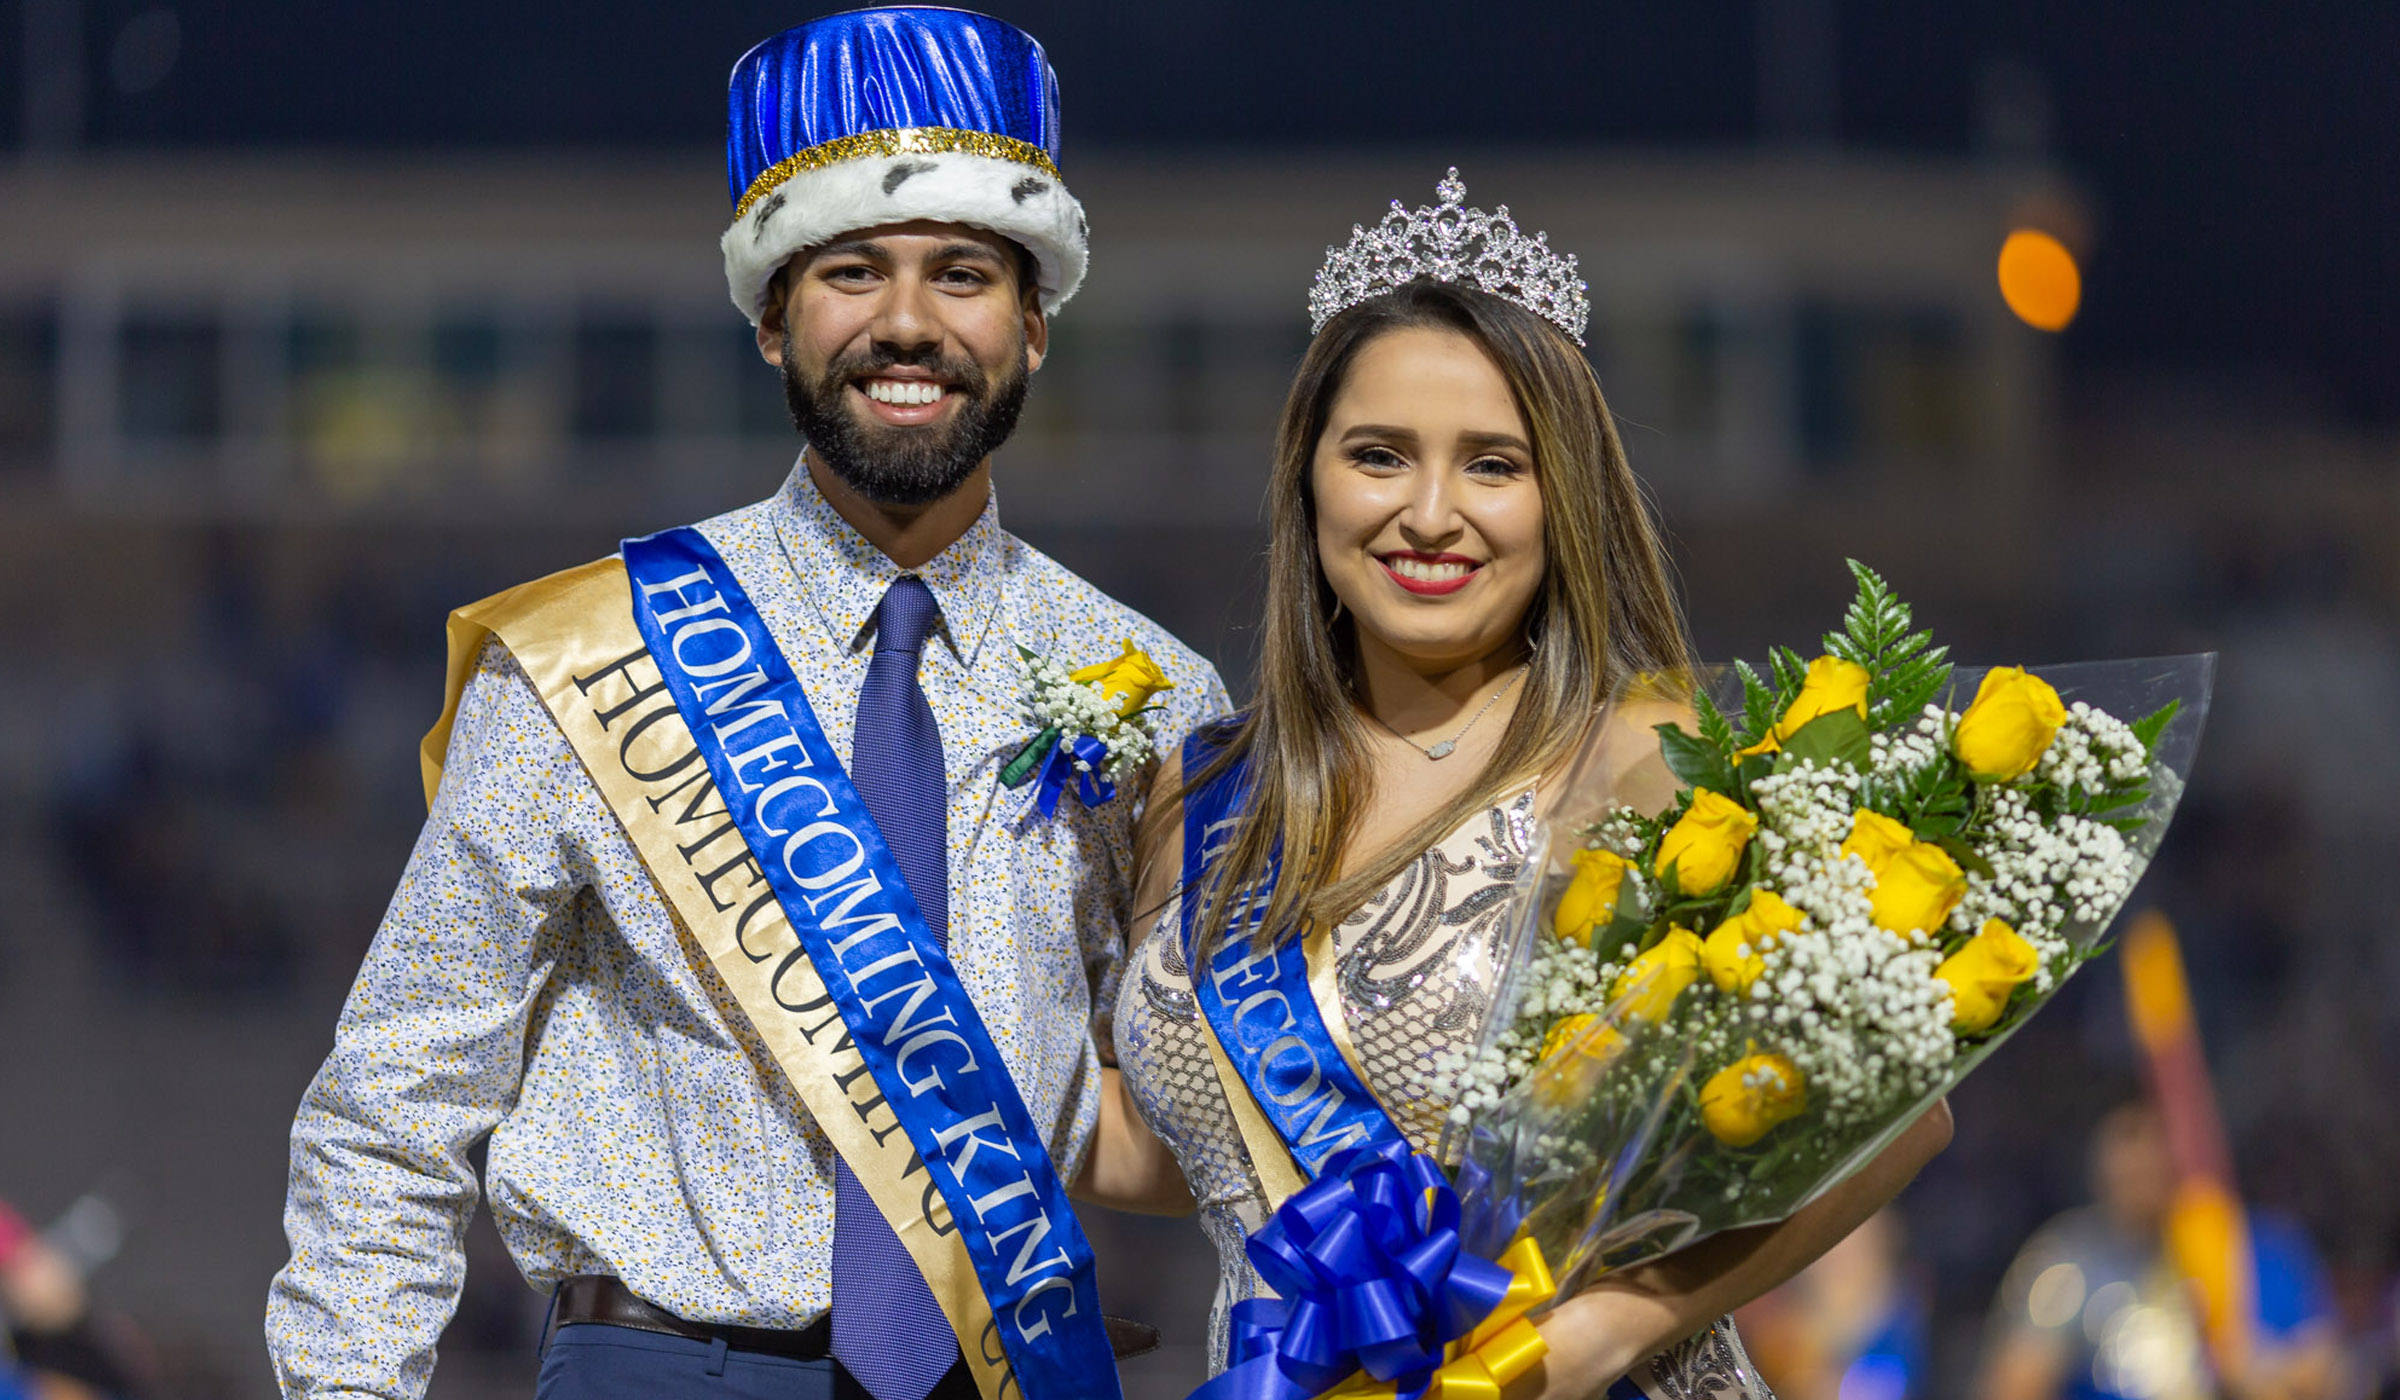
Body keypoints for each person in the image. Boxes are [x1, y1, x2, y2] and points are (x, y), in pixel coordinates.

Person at [264, 10, 1227, 1400]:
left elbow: (1206, 1105)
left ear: (1035, 325)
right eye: (850, 270)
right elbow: (395, 1108)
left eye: (963, 272)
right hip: (659, 1366)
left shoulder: (1149, 689)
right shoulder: (587, 660)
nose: (908, 323)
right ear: (773, 318)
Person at [1085, 171, 1954, 1399]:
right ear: (1308, 481)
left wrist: (1602, 1327)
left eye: (1492, 464)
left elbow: (1897, 1113)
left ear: (1563, 500)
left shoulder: (1651, 754)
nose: (1429, 514)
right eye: (1380, 454)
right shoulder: (1201, 785)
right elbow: (1190, 1147)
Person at [1977, 1101, 2344, 1400]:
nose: (2138, 1167)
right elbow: (2014, 1383)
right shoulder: (2070, 1260)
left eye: (2153, 1141)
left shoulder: (2263, 1250)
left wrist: (2253, 1365)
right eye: (2125, 1145)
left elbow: (2324, 1372)